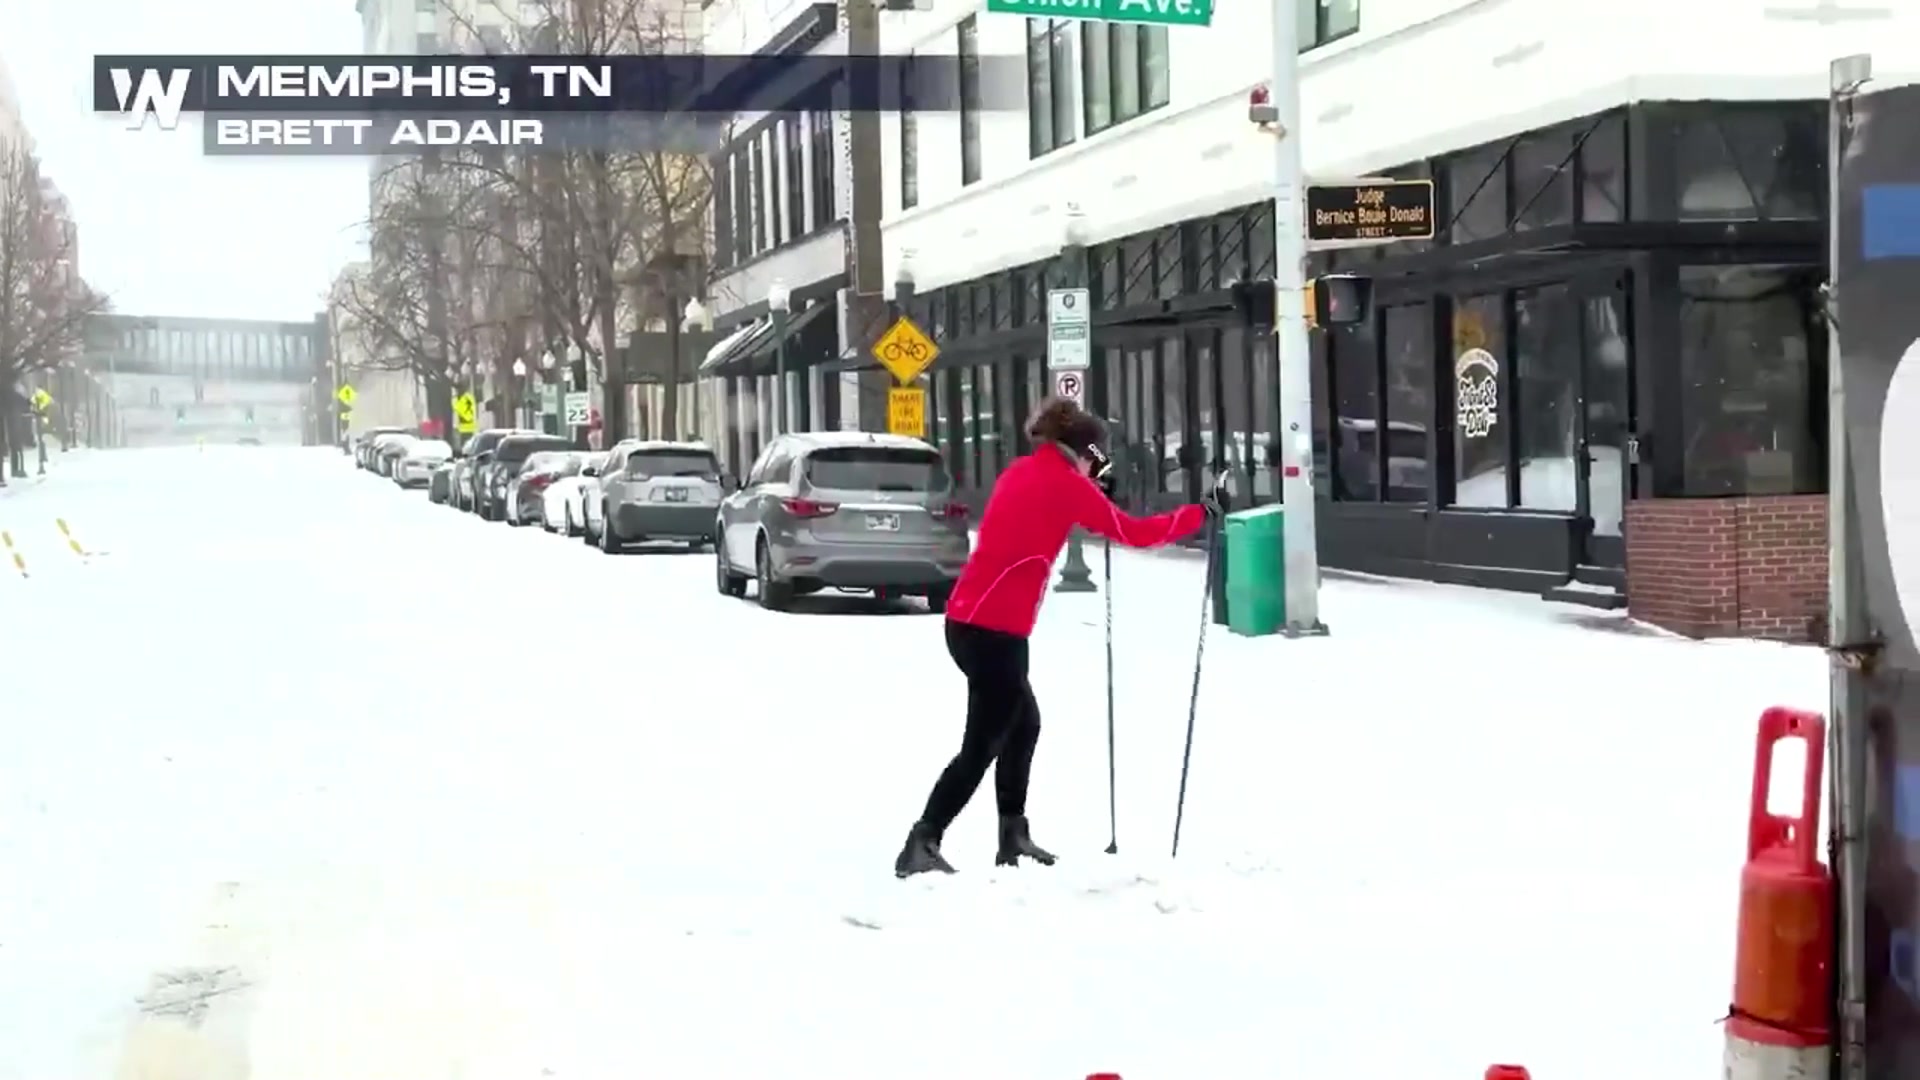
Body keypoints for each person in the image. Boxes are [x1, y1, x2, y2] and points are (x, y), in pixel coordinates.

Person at [894, 396, 1221, 877]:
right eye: (1098, 457)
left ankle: (1013, 834)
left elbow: (1065, 498)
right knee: (982, 744)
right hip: (994, 631)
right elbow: (1133, 532)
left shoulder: (1021, 471)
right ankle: (923, 840)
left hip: (970, 622)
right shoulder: (1067, 486)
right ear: (1084, 451)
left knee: (1022, 724)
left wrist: (1092, 482)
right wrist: (1199, 513)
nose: (1099, 466)